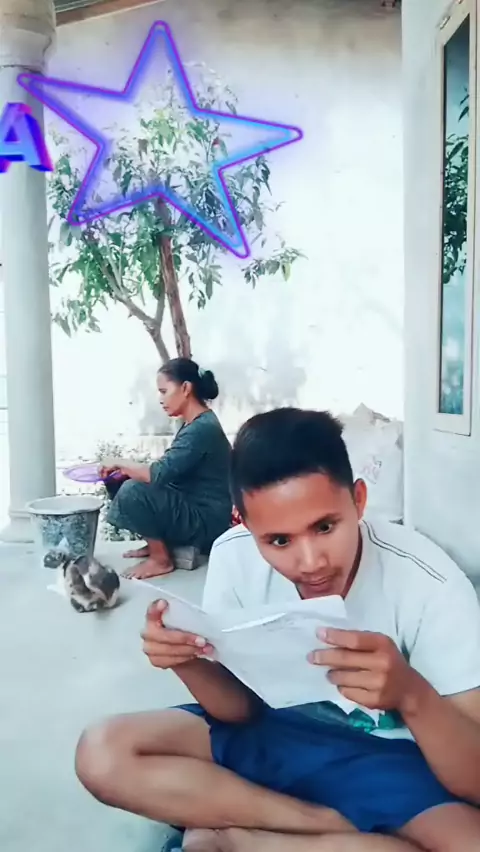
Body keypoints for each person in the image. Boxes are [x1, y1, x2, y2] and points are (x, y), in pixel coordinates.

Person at [76, 408, 480, 852]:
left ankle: (234, 838)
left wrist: (411, 694)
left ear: (359, 501)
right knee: (103, 752)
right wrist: (188, 661)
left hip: (387, 759)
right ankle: (324, 826)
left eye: (325, 527)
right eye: (279, 541)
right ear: (245, 524)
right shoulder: (233, 556)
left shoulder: (430, 584)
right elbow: (238, 711)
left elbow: (475, 780)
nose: (311, 562)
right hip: (273, 733)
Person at [100, 358, 232, 580]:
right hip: (191, 507)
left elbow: (158, 473)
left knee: (133, 490)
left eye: (164, 391)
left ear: (186, 388)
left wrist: (121, 462)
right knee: (120, 480)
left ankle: (161, 559)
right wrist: (124, 470)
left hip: (206, 521)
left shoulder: (202, 429)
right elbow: (170, 471)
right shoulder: (193, 423)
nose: (160, 399)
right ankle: (158, 543)